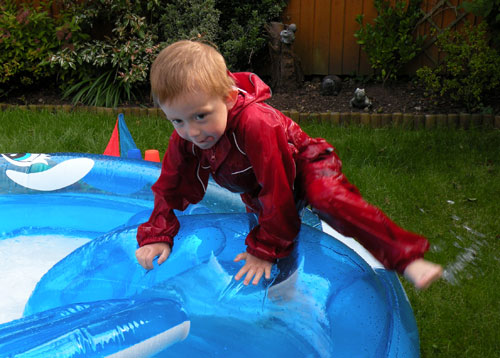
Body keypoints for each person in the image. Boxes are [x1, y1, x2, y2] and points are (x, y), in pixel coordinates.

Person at [135, 40, 443, 290]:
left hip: (304, 165)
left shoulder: (258, 124)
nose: (192, 131)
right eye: (177, 120)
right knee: (266, 238)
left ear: (228, 98)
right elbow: (170, 185)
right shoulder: (188, 138)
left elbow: (279, 188)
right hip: (256, 180)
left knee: (327, 201)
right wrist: (157, 233)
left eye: (200, 116)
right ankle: (284, 293)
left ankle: (406, 259)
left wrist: (265, 250)